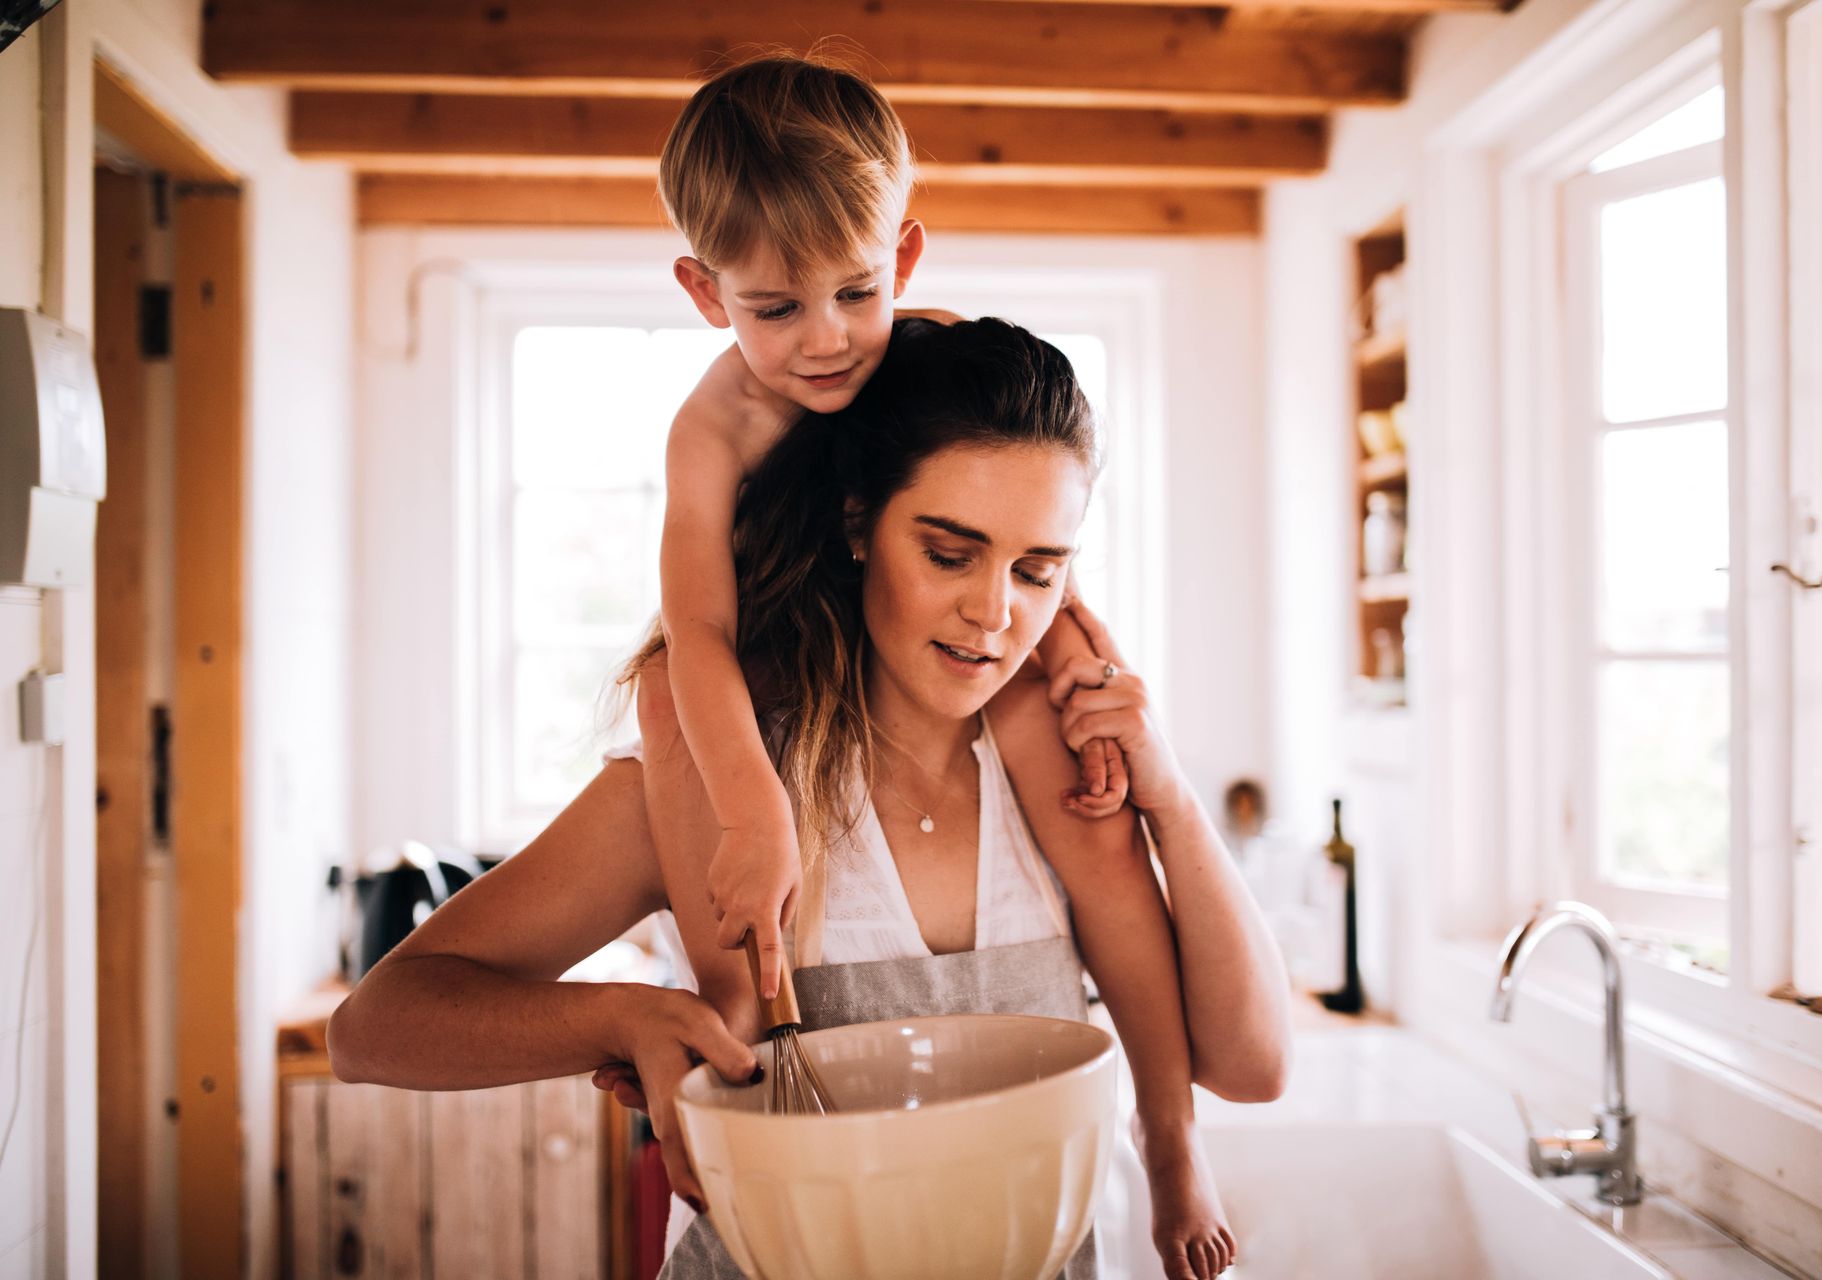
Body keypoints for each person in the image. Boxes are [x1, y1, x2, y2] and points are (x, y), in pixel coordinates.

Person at [328, 320, 1293, 1280]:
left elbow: (1254, 1066)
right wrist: (625, 1018)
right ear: (856, 522)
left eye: (1040, 570)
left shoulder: (1060, 765)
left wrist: (1164, 789)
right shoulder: (711, 776)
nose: (997, 616)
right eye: (950, 554)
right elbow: (374, 1028)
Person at [645, 54, 1129, 1031]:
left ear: (902, 261)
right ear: (706, 291)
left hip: (910, 660)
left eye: (857, 293)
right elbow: (697, 626)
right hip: (775, 666)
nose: (826, 339)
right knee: (661, 696)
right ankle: (732, 1027)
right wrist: (752, 808)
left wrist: (1081, 643)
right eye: (775, 308)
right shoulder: (713, 427)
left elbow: (1028, 533)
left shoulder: (933, 351)